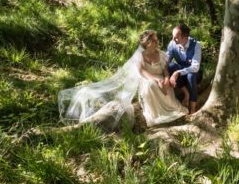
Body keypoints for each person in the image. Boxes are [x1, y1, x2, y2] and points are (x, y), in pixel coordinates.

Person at [58, 30, 187, 129]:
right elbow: (142, 72)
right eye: (154, 40)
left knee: (166, 85)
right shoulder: (139, 56)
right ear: (148, 43)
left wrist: (165, 79)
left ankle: (173, 108)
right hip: (147, 78)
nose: (157, 41)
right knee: (151, 85)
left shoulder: (161, 54)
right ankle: (157, 115)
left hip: (161, 77)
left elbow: (165, 70)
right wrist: (156, 80)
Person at [166, 23, 202, 114]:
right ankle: (186, 93)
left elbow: (195, 67)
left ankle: (193, 109)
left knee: (190, 76)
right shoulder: (172, 43)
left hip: (194, 73)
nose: (173, 39)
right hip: (181, 71)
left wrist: (177, 72)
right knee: (170, 67)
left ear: (185, 37)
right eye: (173, 36)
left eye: (176, 37)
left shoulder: (196, 45)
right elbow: (166, 61)